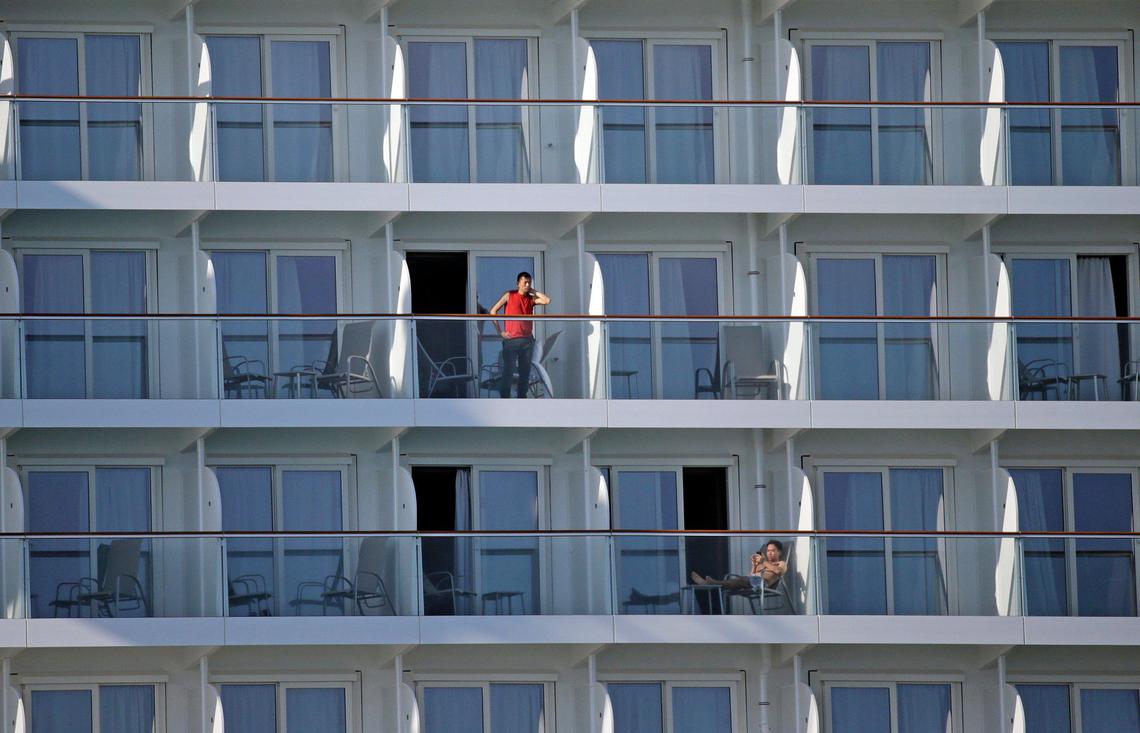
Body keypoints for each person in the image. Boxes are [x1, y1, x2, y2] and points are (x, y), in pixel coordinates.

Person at [488, 272, 551, 398]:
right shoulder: (509, 295)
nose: (527, 285)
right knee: (508, 371)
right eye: (524, 283)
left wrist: (533, 290)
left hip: (527, 341)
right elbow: (493, 311)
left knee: (525, 372)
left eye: (529, 283)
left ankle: (522, 398)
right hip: (511, 340)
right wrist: (500, 332)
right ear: (518, 283)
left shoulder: (530, 298)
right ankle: (505, 399)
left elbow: (547, 300)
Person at [689, 539, 787, 591]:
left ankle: (711, 583)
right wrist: (754, 565)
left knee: (740, 580)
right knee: (738, 581)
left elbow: (778, 571)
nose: (770, 553)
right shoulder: (763, 564)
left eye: (773, 551)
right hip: (753, 582)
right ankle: (710, 584)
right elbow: (751, 576)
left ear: (780, 552)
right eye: (768, 551)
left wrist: (764, 561)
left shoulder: (781, 563)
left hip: (762, 584)